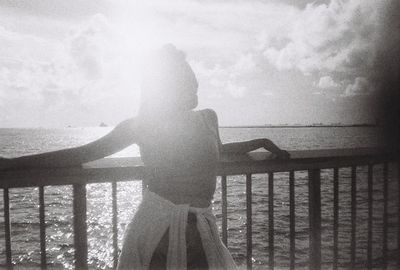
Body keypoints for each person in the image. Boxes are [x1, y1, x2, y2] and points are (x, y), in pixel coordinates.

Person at [0, 44, 290, 269]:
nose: (193, 80)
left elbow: (219, 150)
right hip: (159, 228)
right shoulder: (142, 125)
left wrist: (261, 142)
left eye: (192, 74)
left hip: (201, 225)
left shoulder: (208, 118)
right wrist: (13, 164)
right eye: (185, 76)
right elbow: (82, 154)